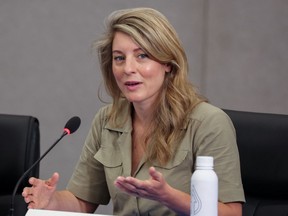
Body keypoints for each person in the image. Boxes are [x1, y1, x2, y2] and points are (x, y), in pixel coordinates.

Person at [22, 7, 245, 216]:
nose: (128, 68)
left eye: (142, 56)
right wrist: (50, 202)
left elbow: (231, 213)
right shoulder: (106, 120)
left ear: (168, 62)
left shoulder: (209, 122)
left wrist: (169, 197)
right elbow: (82, 201)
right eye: (119, 58)